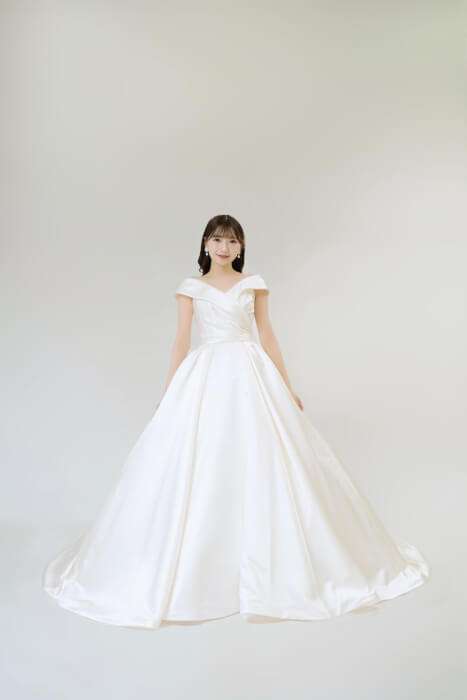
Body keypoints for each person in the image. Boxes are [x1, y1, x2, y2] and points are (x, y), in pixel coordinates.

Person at [42, 214, 430, 629]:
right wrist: (169, 394)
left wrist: (287, 387)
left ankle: (280, 567)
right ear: (205, 244)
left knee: (267, 457)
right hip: (206, 375)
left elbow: (268, 336)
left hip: (251, 373)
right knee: (204, 458)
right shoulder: (190, 288)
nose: (224, 247)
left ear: (241, 247)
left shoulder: (253, 285)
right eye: (216, 239)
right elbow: (180, 342)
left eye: (231, 241)